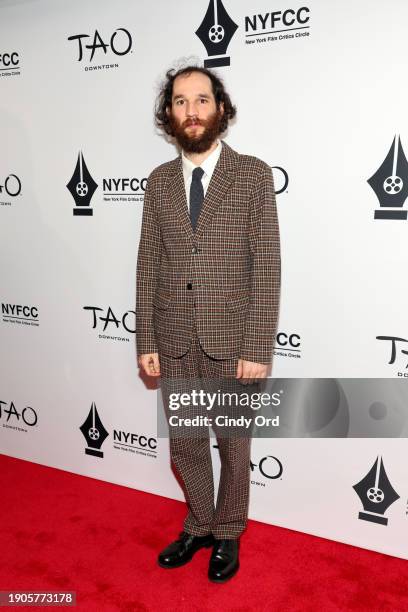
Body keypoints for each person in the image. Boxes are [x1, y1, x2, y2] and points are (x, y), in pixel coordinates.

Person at [136, 64, 281, 583]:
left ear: (220, 108)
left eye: (201, 99)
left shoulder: (253, 174)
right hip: (173, 338)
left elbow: (266, 265)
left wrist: (258, 345)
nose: (191, 111)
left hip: (233, 341)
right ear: (169, 113)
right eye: (180, 101)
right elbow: (148, 262)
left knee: (233, 444)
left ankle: (228, 531)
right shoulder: (157, 183)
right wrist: (145, 339)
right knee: (187, 442)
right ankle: (199, 521)